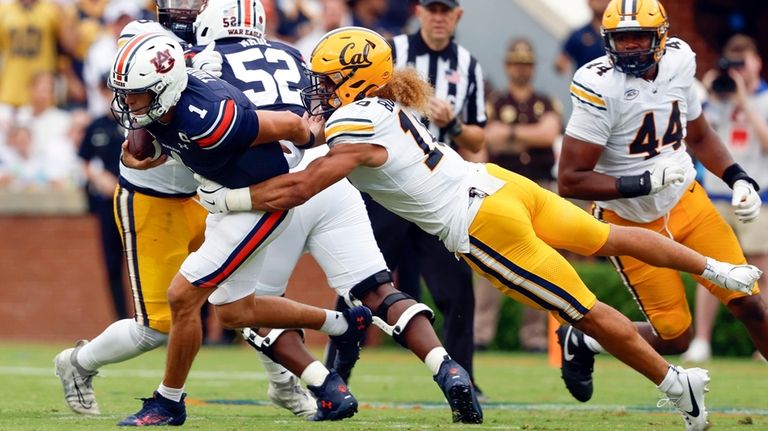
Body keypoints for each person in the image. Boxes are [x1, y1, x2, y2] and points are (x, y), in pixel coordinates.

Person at [206, 26, 763, 430]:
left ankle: (676, 385)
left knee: (581, 310)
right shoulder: (385, 106)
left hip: (480, 223)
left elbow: (303, 187)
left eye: (328, 80)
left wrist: (227, 198)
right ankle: (719, 269)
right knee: (607, 238)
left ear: (354, 81)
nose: (318, 89)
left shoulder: (352, 122)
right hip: (497, 184)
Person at [192, 0, 481, 423]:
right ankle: (447, 367)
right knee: (378, 290)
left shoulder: (204, 63)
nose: (319, 87)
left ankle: (326, 386)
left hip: (275, 192)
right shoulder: (291, 54)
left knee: (246, 308)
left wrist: (224, 198)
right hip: (334, 183)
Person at [54, 3, 316, 421]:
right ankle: (77, 363)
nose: (183, 8)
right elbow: (137, 117)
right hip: (154, 195)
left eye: (196, 2)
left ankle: (285, 384)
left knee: (253, 297)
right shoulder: (147, 40)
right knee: (155, 326)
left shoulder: (230, 48)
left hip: (210, 191)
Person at [557, 0, 768, 408]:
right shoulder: (599, 86)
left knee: (750, 303)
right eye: (622, 38)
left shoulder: (679, 62)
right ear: (607, 41)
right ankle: (583, 337)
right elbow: (570, 179)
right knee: (675, 337)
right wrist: (640, 182)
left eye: (639, 37)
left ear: (662, 37)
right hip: (631, 225)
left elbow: (700, 134)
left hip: (689, 204)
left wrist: (737, 177)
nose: (631, 47)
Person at [330, 0, 484, 389]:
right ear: (418, 12)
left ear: (458, 16)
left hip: (436, 191)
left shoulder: (468, 64)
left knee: (458, 291)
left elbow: (478, 138)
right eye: (431, 9)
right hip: (386, 187)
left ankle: (463, 376)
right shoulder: (389, 51)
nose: (437, 17)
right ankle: (337, 371)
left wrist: (455, 124)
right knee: (361, 280)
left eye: (445, 10)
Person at [682, 34, 768, 363]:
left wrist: (745, 100)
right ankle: (702, 340)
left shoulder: (763, 98)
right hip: (718, 194)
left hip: (759, 195)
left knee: (760, 269)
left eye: (742, 63)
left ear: (756, 61)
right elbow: (695, 139)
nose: (737, 71)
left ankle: (763, 342)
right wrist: (704, 94)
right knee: (711, 270)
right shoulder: (717, 98)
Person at [479, 38, 563, 352]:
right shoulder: (495, 102)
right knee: (490, 256)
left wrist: (511, 135)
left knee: (538, 259)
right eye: (516, 63)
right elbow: (489, 139)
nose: (521, 69)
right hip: (504, 186)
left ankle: (534, 337)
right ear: (507, 66)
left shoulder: (546, 101)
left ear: (533, 67)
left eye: (526, 64)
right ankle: (481, 333)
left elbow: (549, 134)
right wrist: (530, 137)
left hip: (541, 185)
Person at [554, 0, 610, 76]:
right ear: (589, 2)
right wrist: (561, 65)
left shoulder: (618, 34)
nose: (601, 3)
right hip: (585, 84)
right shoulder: (578, 34)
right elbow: (562, 61)